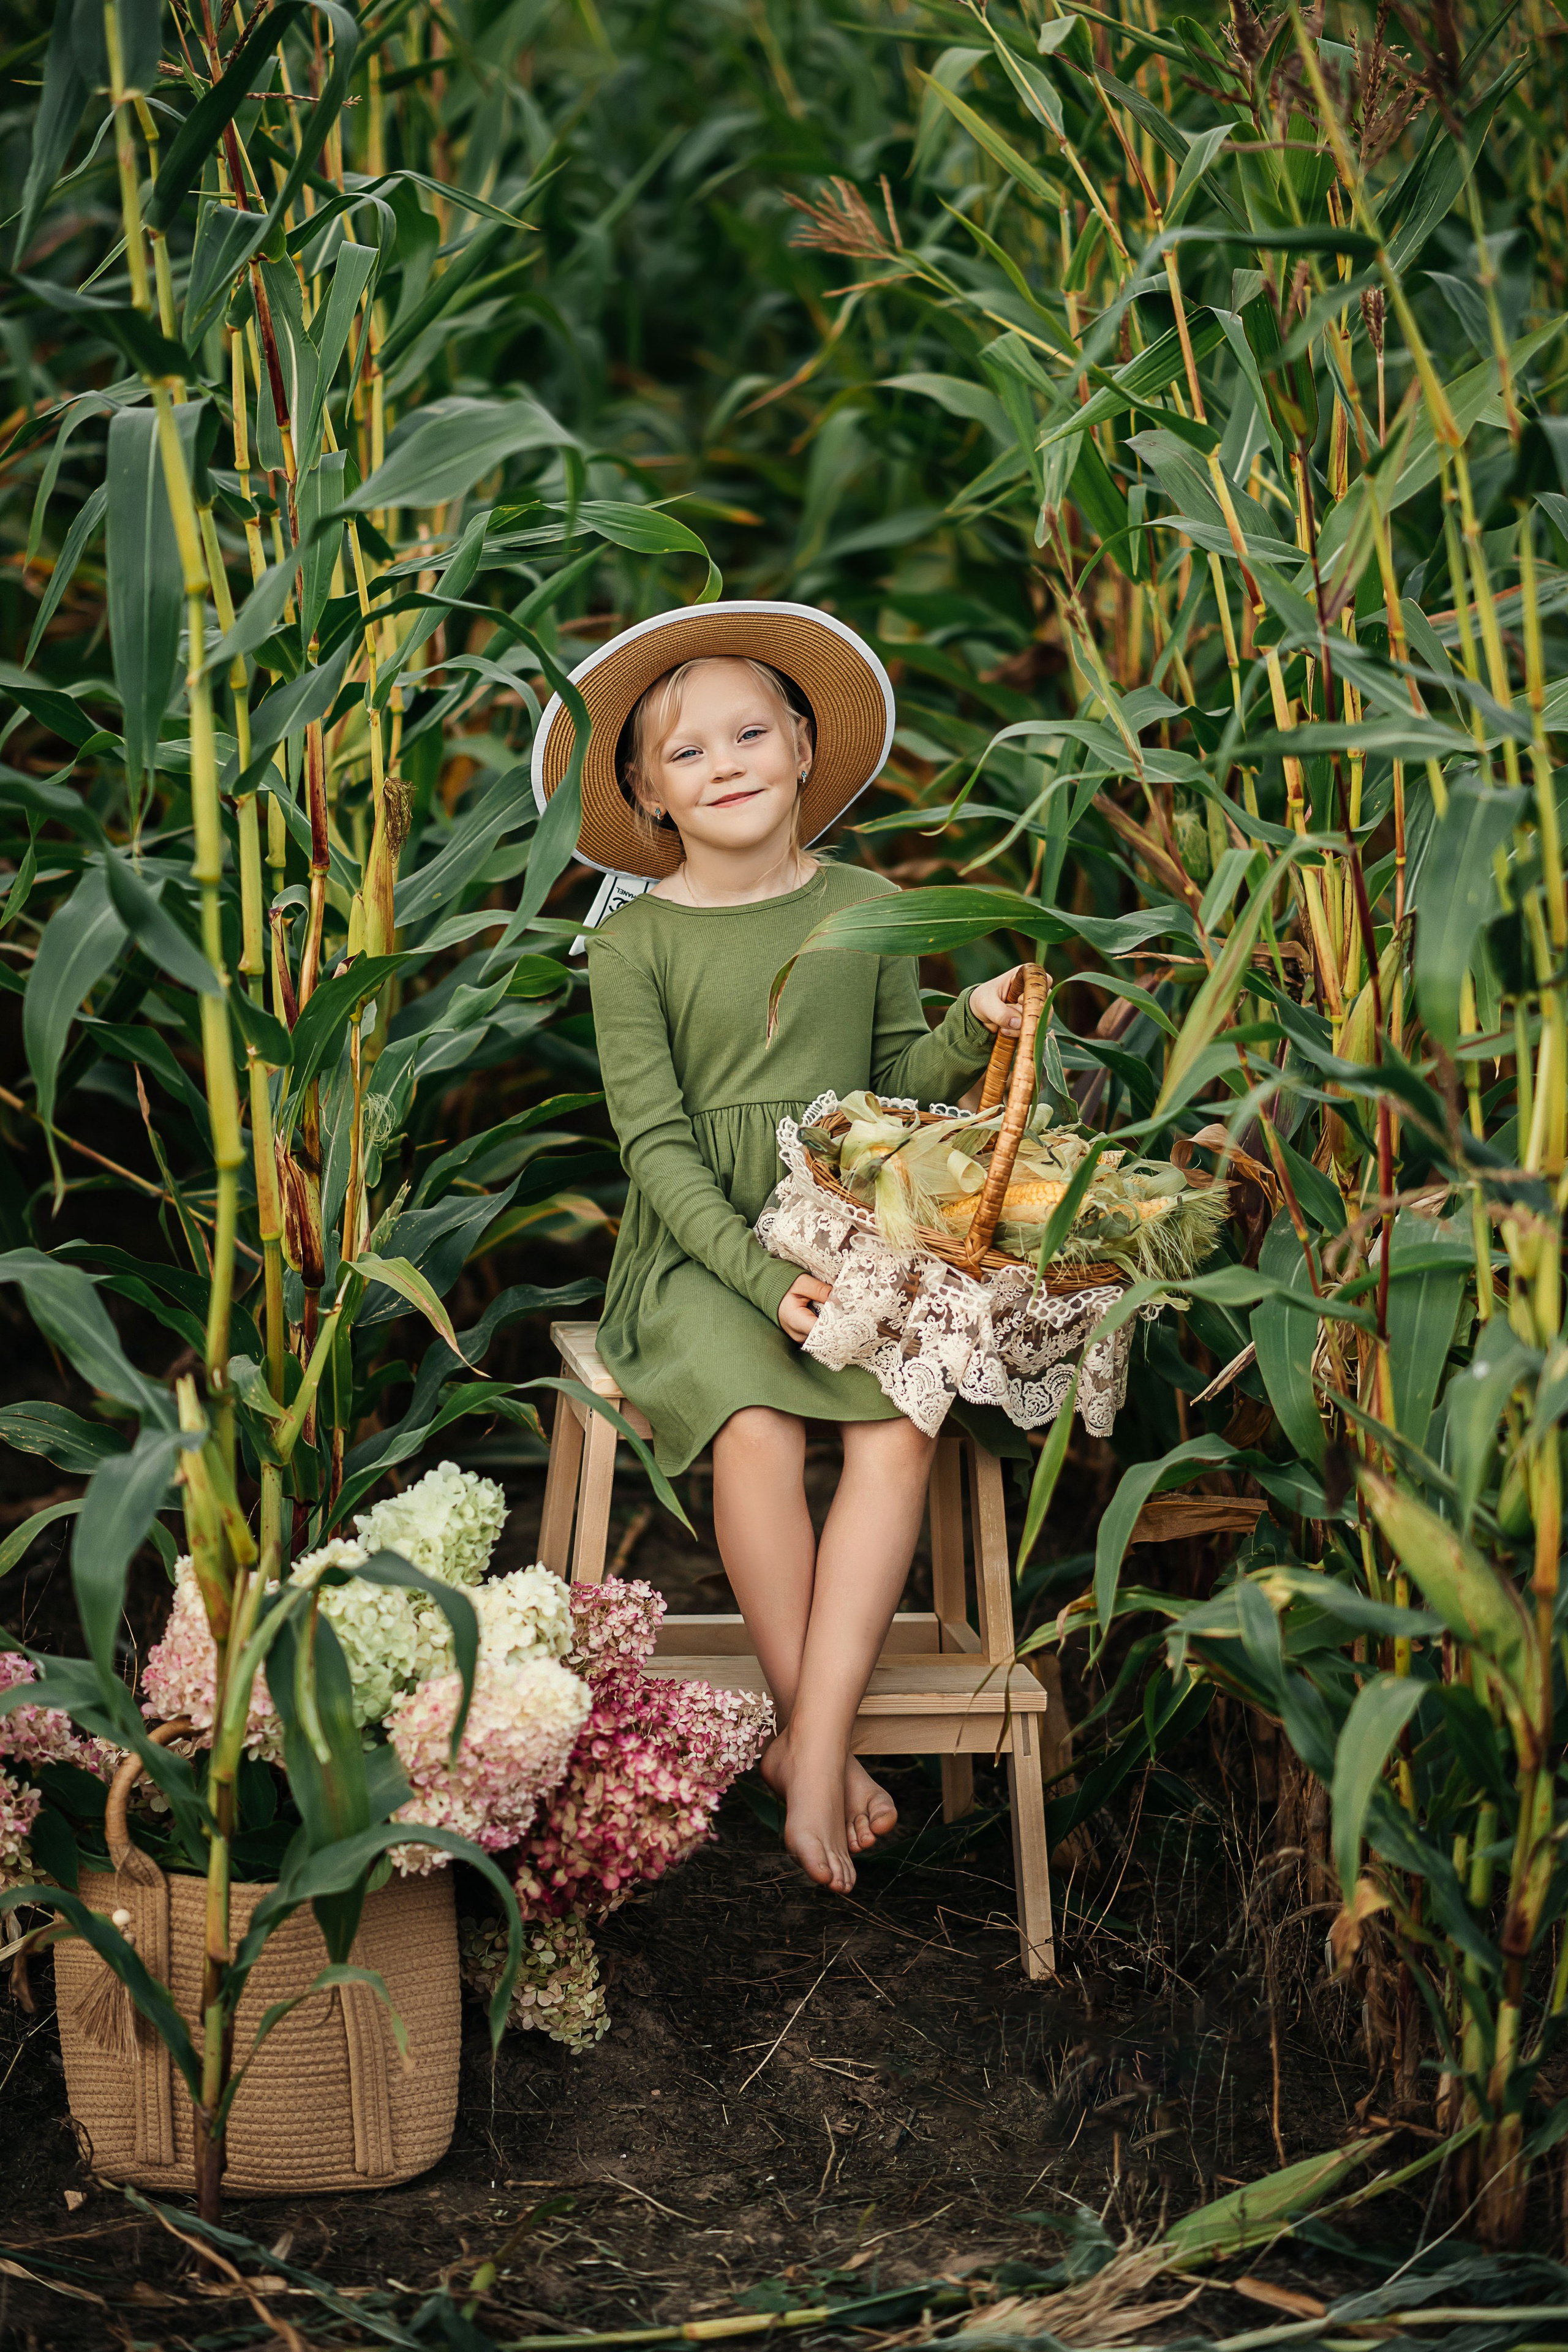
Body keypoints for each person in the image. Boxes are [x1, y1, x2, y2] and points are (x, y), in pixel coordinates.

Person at [530, 603, 1023, 1894]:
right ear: (644, 795)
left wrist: (971, 1023)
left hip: (848, 1226)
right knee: (756, 1418)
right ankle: (821, 1752)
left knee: (895, 1420)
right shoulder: (633, 942)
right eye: (684, 755)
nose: (725, 764)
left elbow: (894, 1097)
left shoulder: (868, 905)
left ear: (804, 747)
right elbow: (651, 1146)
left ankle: (804, 1745)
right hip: (695, 1251)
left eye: (749, 732)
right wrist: (761, 1279)